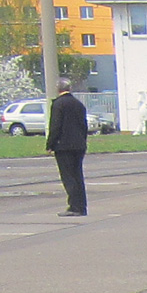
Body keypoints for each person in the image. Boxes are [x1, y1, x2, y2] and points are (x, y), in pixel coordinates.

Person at [47, 78, 90, 217]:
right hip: (79, 145)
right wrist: (83, 141)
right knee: (78, 175)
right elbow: (84, 126)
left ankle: (74, 207)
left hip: (63, 145)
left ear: (58, 89)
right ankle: (81, 206)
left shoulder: (58, 104)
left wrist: (50, 144)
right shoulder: (78, 104)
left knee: (68, 176)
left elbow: (55, 126)